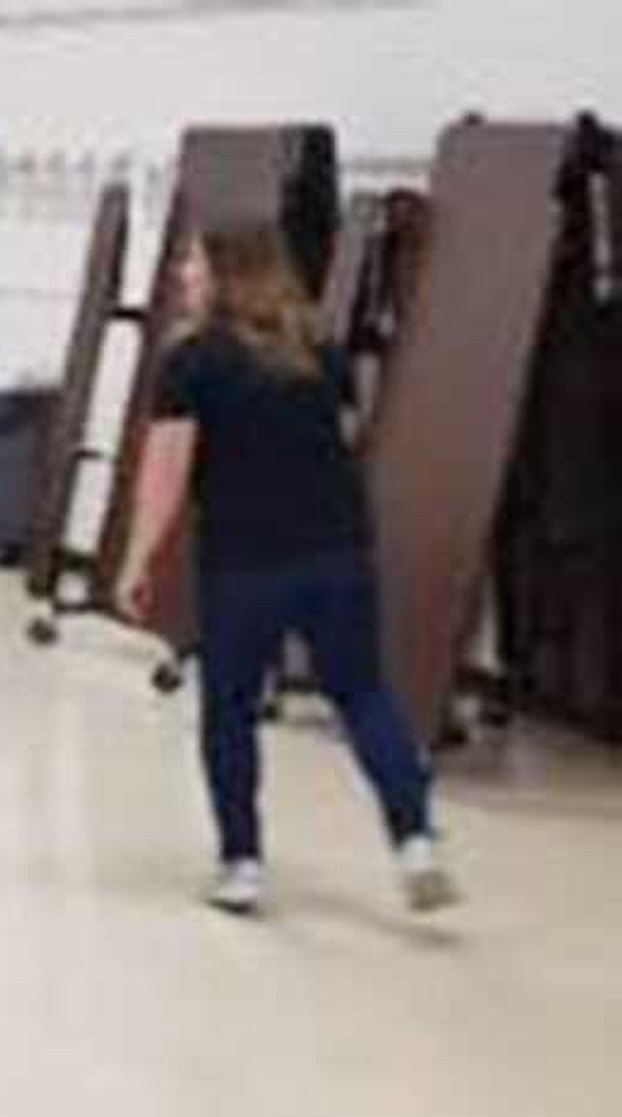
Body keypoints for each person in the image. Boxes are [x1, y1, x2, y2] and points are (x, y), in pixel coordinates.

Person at [123, 226, 457, 916]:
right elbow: (341, 443)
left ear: (225, 275)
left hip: (245, 563)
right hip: (338, 552)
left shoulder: (192, 364)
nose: (183, 274)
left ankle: (241, 862)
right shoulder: (322, 356)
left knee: (231, 712)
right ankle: (414, 836)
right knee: (363, 695)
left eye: (191, 263)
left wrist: (138, 559)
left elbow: (166, 475)